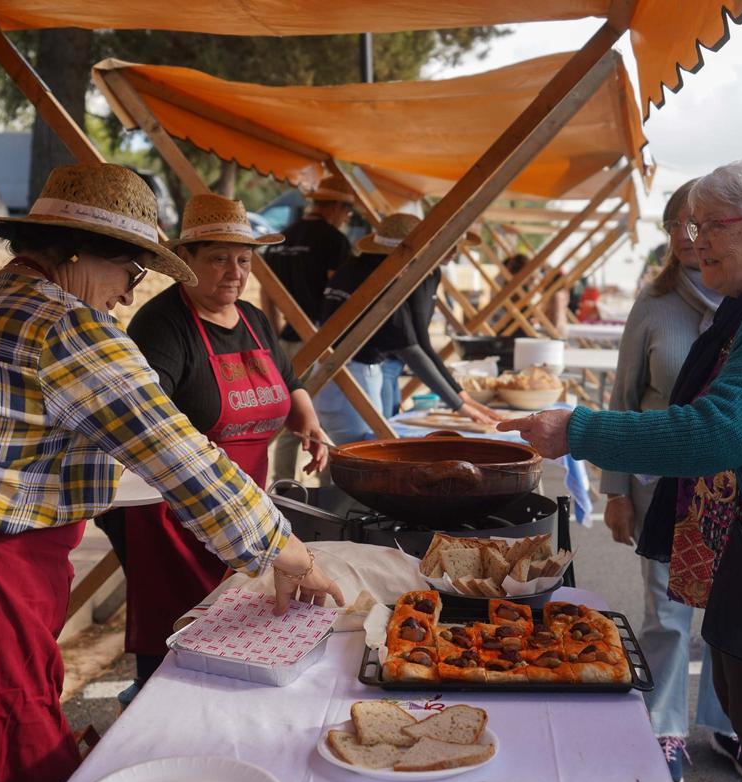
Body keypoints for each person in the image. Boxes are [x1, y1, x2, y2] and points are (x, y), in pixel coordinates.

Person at [0, 164, 342, 782]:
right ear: (80, 252)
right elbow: (185, 459)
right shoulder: (66, 327)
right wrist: (290, 554)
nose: (127, 296)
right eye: (130, 274)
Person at [500, 157, 742, 782]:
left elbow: (715, 431)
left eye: (711, 226)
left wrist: (577, 431)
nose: (693, 241)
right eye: (690, 225)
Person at [102, 194, 330, 699]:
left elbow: (290, 381)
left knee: (239, 627)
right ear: (188, 263)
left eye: (244, 260)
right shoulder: (163, 326)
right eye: (218, 259)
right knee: (179, 630)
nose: (234, 271)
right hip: (171, 510)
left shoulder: (252, 318)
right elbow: (149, 430)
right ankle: (153, 707)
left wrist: (308, 421)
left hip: (247, 501)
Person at [600, 179, 739, 782]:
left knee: (731, 611)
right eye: (677, 225)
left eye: (699, 224)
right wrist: (615, 489)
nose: (688, 237)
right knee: (666, 612)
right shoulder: (653, 306)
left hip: (735, 488)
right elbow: (622, 401)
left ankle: (727, 722)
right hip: (662, 487)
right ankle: (664, 726)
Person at [316, 213, 496, 443]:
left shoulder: (356, 267)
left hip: (339, 373)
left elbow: (416, 343)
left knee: (344, 455)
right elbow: (411, 347)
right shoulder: (383, 279)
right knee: (357, 455)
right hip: (353, 375)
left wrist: (461, 399)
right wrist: (460, 404)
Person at [262, 176, 355, 481]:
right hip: (321, 339)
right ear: (335, 207)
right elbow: (335, 291)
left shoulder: (281, 238)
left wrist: (273, 334)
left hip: (286, 339)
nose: (347, 218)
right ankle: (329, 486)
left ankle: (284, 485)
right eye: (347, 211)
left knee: (291, 415)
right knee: (320, 415)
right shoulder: (334, 241)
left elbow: (268, 292)